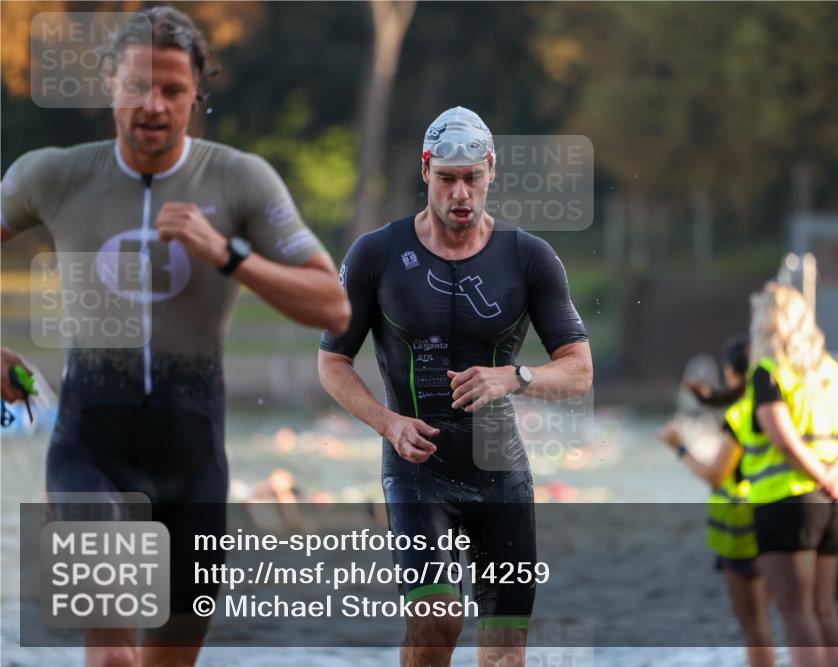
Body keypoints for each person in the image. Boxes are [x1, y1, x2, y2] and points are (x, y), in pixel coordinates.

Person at [0, 7, 350, 666]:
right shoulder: (52, 173)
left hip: (193, 462)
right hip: (88, 454)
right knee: (112, 658)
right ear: (109, 83)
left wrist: (229, 253)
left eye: (172, 90)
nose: (152, 105)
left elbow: (333, 305)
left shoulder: (238, 179)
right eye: (137, 86)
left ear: (198, 95)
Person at [318, 106, 593, 667]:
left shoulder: (530, 258)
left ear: (491, 170)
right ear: (426, 171)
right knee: (438, 619)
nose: (460, 193)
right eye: (447, 178)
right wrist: (387, 422)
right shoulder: (377, 254)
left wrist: (515, 377)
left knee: (506, 649)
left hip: (500, 470)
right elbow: (332, 362)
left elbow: (579, 370)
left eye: (472, 178)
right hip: (418, 469)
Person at [741, 282, 838, 667]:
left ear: (767, 323)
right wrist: (836, 477)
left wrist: (823, 478)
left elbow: (785, 441)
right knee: (825, 612)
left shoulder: (768, 373)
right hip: (831, 503)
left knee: (797, 614)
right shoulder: (829, 369)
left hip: (786, 502)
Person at [659, 336, 776, 667]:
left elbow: (715, 475)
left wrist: (679, 447)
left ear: (730, 371)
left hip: (741, 534)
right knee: (785, 620)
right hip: (775, 519)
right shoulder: (775, 407)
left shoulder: (740, 416)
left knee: (754, 627)